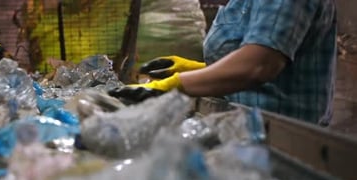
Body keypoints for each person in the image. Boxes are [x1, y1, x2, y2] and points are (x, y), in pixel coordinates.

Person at [109, 0, 337, 126]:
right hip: (245, 127)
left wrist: (175, 85)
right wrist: (198, 69)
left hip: (281, 141)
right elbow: (250, 51)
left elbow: (259, 65)